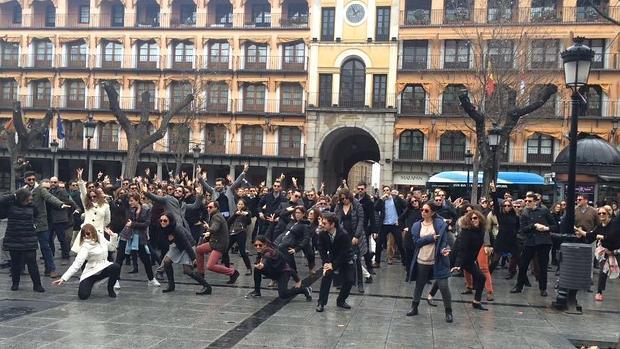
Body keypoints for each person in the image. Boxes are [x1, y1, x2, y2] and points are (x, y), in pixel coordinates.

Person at [407, 202, 453, 323]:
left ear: (432, 212)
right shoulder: (417, 225)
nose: (423, 212)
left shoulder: (439, 224)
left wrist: (445, 249)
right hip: (422, 259)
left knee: (443, 286)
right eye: (422, 210)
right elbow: (416, 242)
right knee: (419, 284)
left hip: (438, 259)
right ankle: (414, 307)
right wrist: (431, 238)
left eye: (426, 210)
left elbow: (444, 241)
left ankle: (448, 312)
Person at [53, 224, 120, 300]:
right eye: (84, 234)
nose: (86, 236)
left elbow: (112, 248)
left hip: (104, 266)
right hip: (91, 271)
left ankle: (110, 288)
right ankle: (92, 282)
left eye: (88, 233)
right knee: (83, 295)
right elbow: (76, 264)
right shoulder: (85, 246)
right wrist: (63, 278)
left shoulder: (101, 238)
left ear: (93, 232)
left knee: (116, 267)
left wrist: (113, 236)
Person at [23, 171, 70, 278]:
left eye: (33, 179)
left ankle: (50, 269)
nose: (31, 181)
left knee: (45, 247)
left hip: (41, 222)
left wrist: (61, 204)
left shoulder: (40, 189)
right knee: (25, 246)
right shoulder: (23, 190)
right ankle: (20, 268)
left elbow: (49, 197)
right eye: (29, 179)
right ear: (25, 180)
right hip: (28, 222)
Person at [511, 193, 557, 296]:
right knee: (523, 265)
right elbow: (522, 229)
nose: (527, 203)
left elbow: (555, 225)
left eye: (529, 201)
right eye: (526, 201)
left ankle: (543, 288)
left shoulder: (544, 210)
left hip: (543, 241)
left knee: (542, 266)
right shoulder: (524, 213)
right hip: (530, 241)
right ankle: (519, 286)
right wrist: (534, 226)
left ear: (536, 201)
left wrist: (546, 228)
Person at [1, 189, 45, 292]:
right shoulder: (10, 205)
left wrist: (35, 225)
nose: (30, 200)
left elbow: (37, 216)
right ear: (22, 198)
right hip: (14, 237)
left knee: (32, 262)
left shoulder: (32, 206)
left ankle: (37, 285)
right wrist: (13, 195)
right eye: (28, 199)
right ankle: (15, 283)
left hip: (29, 237)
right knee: (15, 263)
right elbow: (1, 201)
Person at [158, 214, 212, 295]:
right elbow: (165, 240)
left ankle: (207, 287)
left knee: (187, 270)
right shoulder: (163, 228)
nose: (162, 222)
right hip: (176, 246)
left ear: (170, 221)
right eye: (161, 220)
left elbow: (186, 243)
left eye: (165, 220)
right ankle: (171, 285)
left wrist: (193, 258)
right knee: (166, 262)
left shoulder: (177, 229)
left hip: (188, 246)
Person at [246, 235, 312, 301]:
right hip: (274, 272)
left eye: (260, 245)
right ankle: (257, 291)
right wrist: (260, 265)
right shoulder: (262, 252)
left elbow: (267, 259)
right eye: (256, 245)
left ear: (265, 244)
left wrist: (297, 280)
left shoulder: (271, 252)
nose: (258, 247)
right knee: (257, 269)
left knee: (283, 294)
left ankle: (304, 290)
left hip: (283, 273)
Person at [114, 193, 160, 287]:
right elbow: (128, 221)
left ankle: (151, 279)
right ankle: (115, 280)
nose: (130, 203)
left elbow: (146, 224)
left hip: (139, 236)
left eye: (132, 201)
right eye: (129, 201)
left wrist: (133, 224)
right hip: (126, 235)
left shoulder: (146, 209)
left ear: (137, 200)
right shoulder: (128, 208)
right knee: (120, 257)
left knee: (145, 258)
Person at [576, 205, 620, 302]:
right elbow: (591, 236)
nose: (601, 215)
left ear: (609, 214)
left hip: (617, 251)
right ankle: (599, 292)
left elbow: (613, 236)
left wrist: (603, 237)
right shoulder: (600, 226)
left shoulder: (615, 224)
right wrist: (580, 232)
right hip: (605, 251)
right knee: (602, 272)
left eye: (603, 213)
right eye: (599, 213)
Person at [316, 212, 355, 312]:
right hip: (331, 258)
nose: (321, 225)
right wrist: (326, 263)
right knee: (326, 277)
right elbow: (322, 250)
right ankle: (321, 303)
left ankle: (341, 300)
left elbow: (344, 253)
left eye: (324, 223)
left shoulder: (343, 235)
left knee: (349, 280)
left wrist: (333, 265)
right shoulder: (322, 234)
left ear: (332, 224)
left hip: (345, 258)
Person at [196, 201, 240, 284]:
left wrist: (209, 230)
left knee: (210, 266)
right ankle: (200, 273)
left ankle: (233, 272)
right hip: (215, 242)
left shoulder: (216, 217)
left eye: (210, 207)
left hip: (219, 244)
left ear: (216, 208)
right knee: (198, 249)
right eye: (208, 207)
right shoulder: (215, 215)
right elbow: (215, 228)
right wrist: (209, 228)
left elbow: (215, 227)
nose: (208, 209)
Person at [452, 210, 488, 311]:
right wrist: (458, 264)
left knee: (481, 278)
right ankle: (431, 295)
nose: (473, 220)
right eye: (471, 219)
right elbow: (462, 249)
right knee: (444, 278)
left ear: (479, 218)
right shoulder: (466, 231)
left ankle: (476, 302)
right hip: (459, 258)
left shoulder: (481, 230)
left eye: (475, 218)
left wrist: (489, 246)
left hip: (469, 260)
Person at [334, 188, 367, 293]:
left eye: (346, 198)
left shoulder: (356, 204)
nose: (344, 200)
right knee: (342, 258)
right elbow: (336, 220)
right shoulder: (339, 206)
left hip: (354, 235)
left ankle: (360, 283)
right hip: (343, 236)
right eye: (342, 198)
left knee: (357, 260)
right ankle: (341, 282)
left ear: (349, 197)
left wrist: (357, 236)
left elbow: (361, 219)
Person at [488, 181, 520, 280]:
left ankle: (516, 275)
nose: (507, 207)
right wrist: (494, 191)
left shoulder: (515, 216)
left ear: (511, 207)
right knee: (495, 260)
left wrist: (518, 236)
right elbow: (496, 203)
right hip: (501, 238)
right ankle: (486, 276)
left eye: (509, 205)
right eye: (505, 205)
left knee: (517, 260)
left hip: (512, 239)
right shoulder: (500, 214)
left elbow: (518, 227)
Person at [374, 185, 406, 267]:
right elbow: (375, 208)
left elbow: (405, 206)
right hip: (384, 225)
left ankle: (405, 261)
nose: (386, 192)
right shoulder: (382, 200)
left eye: (387, 190)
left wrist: (400, 219)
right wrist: (381, 199)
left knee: (400, 243)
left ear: (390, 191)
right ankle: (377, 262)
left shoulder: (396, 199)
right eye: (384, 190)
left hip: (394, 225)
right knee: (379, 243)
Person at [222, 199, 253, 275]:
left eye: (242, 204)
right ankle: (227, 268)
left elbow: (249, 222)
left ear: (244, 205)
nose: (240, 206)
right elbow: (228, 222)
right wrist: (235, 214)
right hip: (232, 233)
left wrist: (246, 215)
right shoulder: (235, 212)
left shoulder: (247, 212)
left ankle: (249, 268)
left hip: (241, 232)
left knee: (242, 252)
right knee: (225, 250)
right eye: (239, 204)